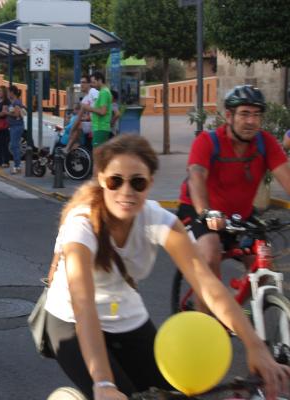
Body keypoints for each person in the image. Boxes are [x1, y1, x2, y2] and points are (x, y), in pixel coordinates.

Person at [44, 134, 290, 400]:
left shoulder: (157, 219)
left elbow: (207, 285)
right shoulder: (81, 226)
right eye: (116, 181)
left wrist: (256, 346)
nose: (126, 192)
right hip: (71, 320)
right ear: (102, 179)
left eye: (137, 183)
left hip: (126, 316)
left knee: (169, 394)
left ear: (149, 184)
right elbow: (83, 305)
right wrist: (103, 382)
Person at [177, 84, 290, 312]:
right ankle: (204, 324)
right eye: (245, 114)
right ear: (229, 116)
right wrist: (205, 213)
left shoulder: (264, 143)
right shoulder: (208, 141)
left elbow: (285, 173)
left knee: (263, 267)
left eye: (257, 115)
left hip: (241, 216)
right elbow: (197, 176)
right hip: (200, 212)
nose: (251, 121)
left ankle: (232, 309)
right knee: (210, 254)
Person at [81, 71, 112, 149]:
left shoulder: (103, 93)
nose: (92, 85)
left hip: (100, 127)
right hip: (100, 127)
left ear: (100, 80)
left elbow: (103, 111)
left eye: (94, 82)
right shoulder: (104, 91)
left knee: (97, 155)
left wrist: (88, 108)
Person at [7, 85, 25, 174]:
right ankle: (17, 165)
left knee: (15, 146)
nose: (7, 94)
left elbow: (16, 115)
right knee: (13, 146)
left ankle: (17, 166)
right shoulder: (14, 102)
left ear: (12, 92)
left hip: (17, 126)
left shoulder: (17, 102)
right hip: (14, 126)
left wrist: (6, 112)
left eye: (8, 92)